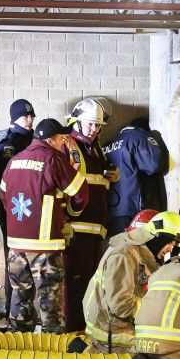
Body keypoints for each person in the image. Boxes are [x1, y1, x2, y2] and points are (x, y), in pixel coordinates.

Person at [0, 118, 89, 333]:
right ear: (50, 140)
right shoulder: (53, 159)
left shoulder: (14, 161)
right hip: (44, 245)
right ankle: (51, 349)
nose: (63, 143)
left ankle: (17, 346)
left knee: (20, 301)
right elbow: (80, 192)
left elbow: (4, 197)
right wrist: (71, 213)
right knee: (50, 304)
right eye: (60, 139)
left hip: (16, 246)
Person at [83, 210, 180, 355]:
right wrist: (155, 310)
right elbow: (121, 305)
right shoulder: (124, 255)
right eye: (170, 243)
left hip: (118, 330)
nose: (171, 249)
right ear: (158, 237)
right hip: (113, 337)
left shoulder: (139, 253)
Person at [62, 98, 118, 333]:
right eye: (89, 124)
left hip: (94, 230)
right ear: (76, 123)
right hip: (76, 229)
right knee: (74, 285)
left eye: (97, 125)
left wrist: (112, 177)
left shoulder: (94, 148)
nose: (94, 129)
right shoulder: (69, 146)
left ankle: (83, 330)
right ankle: (71, 332)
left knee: (88, 284)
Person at [0, 98, 36, 317]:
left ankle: (28, 310)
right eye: (25, 116)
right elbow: (3, 182)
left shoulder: (37, 140)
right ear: (15, 118)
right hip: (12, 208)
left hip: (34, 210)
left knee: (34, 261)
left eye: (31, 115)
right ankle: (13, 309)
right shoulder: (6, 143)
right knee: (14, 260)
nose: (29, 119)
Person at [104, 116, 170, 237]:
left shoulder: (109, 144)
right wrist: (156, 140)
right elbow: (154, 165)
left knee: (118, 245)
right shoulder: (140, 137)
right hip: (133, 209)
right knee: (136, 246)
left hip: (111, 210)